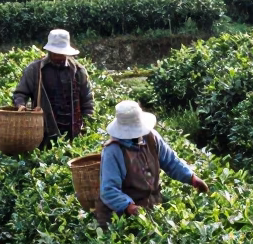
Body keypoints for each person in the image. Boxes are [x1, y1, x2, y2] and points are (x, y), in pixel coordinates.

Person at [95, 100, 209, 229]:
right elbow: (109, 190)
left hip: (149, 203)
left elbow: (171, 161)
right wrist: (129, 207)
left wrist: (192, 178)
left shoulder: (151, 137)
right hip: (120, 213)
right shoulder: (113, 150)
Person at [12, 29, 94, 144]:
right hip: (43, 132)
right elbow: (20, 93)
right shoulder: (35, 70)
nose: (57, 56)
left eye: (61, 53)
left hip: (73, 133)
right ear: (49, 51)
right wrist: (21, 105)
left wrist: (87, 122)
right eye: (55, 53)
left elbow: (87, 99)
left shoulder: (78, 71)